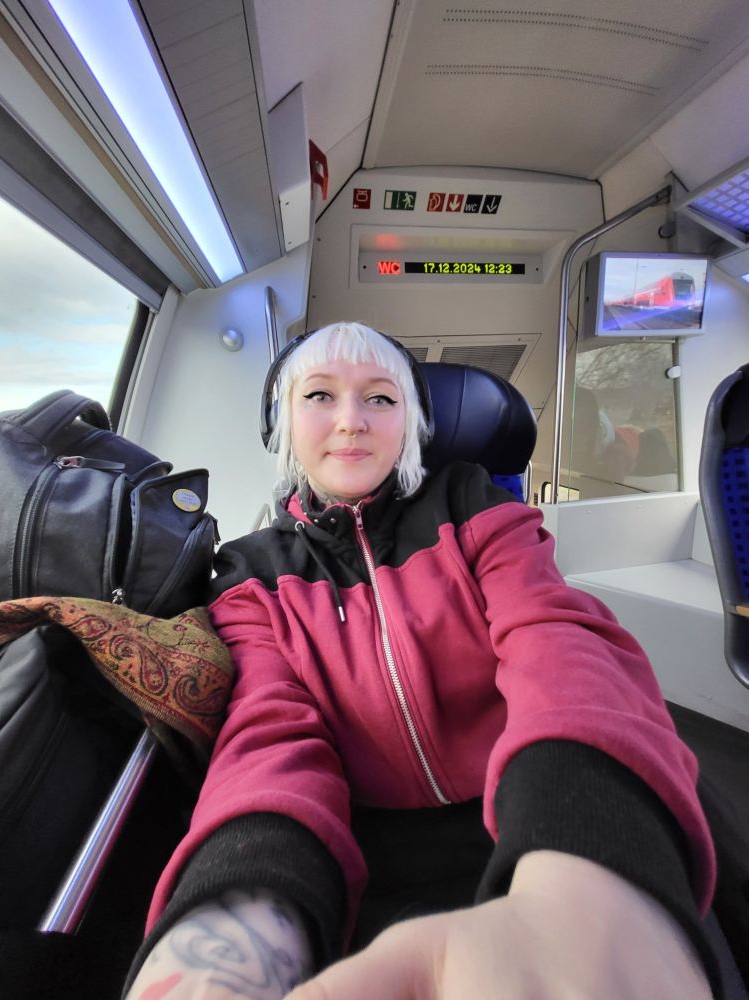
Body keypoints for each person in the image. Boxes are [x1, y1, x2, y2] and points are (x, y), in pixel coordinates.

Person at [124, 322, 718, 1000]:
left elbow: (555, 640)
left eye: (380, 398)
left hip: (534, 804)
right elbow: (267, 738)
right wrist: (233, 930)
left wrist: (590, 854)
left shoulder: (471, 503)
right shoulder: (249, 572)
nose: (351, 421)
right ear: (281, 422)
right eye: (319, 395)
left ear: (411, 422)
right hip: (368, 854)